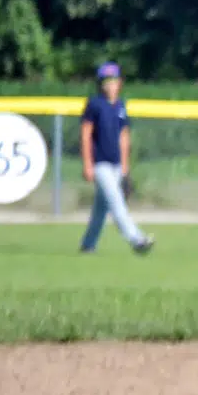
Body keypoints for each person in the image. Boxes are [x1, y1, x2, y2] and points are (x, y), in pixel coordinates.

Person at [79, 62, 153, 255]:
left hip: (116, 163)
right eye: (106, 81)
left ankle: (88, 244)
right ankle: (136, 239)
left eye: (113, 80)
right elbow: (86, 134)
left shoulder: (120, 105)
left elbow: (124, 136)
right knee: (116, 200)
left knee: (101, 208)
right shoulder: (94, 104)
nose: (110, 85)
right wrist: (87, 163)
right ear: (100, 84)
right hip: (99, 163)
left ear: (119, 82)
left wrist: (125, 167)